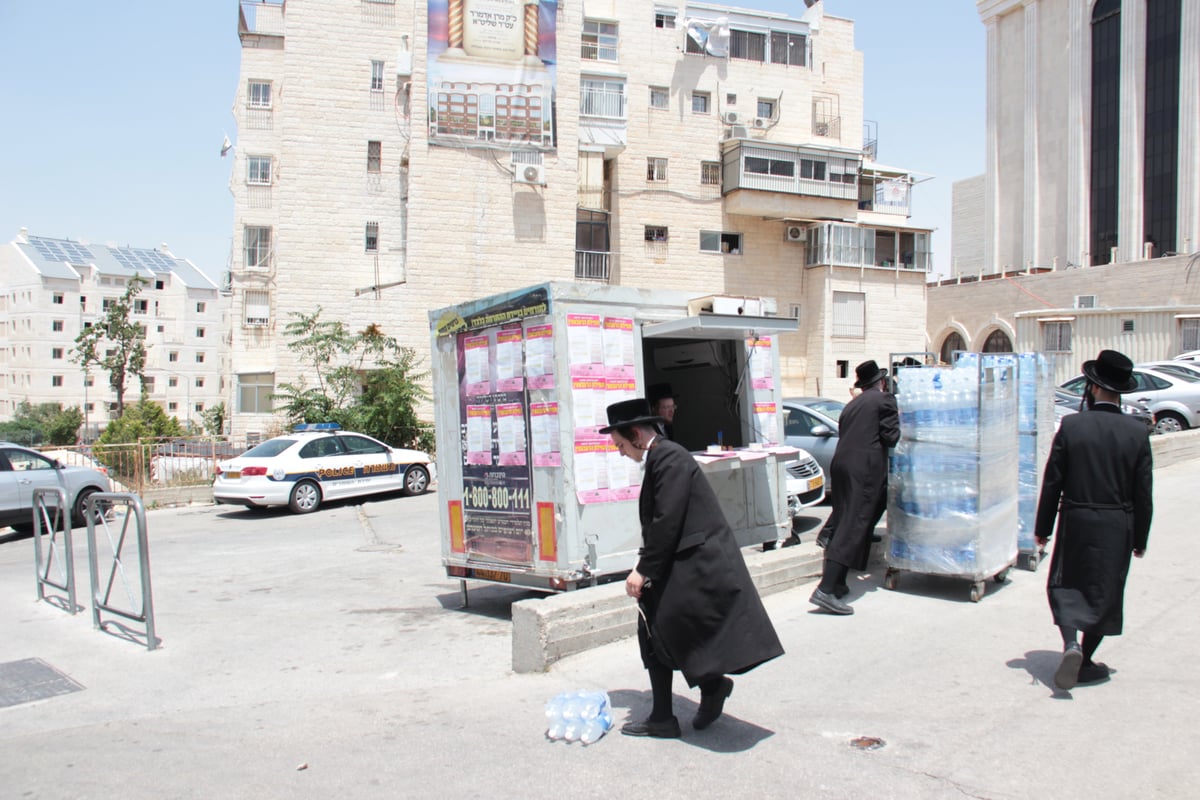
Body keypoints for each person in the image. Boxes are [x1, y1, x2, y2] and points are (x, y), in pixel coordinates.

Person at [600, 398, 784, 738]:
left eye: (622, 444)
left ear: (638, 434)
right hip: (686, 561)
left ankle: (673, 711)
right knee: (664, 631)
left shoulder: (668, 457)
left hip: (698, 565)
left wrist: (643, 570)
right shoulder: (662, 456)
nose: (621, 452)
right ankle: (701, 693)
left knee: (660, 630)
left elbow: (666, 520)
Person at [1035, 349, 1153, 690]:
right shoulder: (1136, 431)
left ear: (1092, 386)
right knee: (1105, 593)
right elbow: (1143, 492)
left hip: (1076, 517)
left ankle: (1070, 643)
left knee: (1066, 582)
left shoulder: (1073, 426)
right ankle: (1084, 660)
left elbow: (1052, 481)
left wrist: (1043, 529)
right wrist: (1140, 539)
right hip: (1118, 523)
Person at [810, 360, 899, 615]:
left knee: (847, 519)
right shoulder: (885, 401)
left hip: (841, 466)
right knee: (853, 524)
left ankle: (837, 582)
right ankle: (825, 590)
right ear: (881, 382)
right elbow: (890, 437)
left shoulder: (852, 405)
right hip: (864, 469)